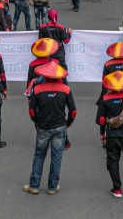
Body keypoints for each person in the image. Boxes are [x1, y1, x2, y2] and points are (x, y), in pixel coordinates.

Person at [24, 61, 76, 195]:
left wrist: (36, 122)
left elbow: (31, 111)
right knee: (56, 157)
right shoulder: (66, 89)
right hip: (60, 127)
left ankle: (34, 186)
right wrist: (68, 123)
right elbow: (73, 111)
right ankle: (52, 187)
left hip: (43, 127)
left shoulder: (37, 89)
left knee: (39, 155)